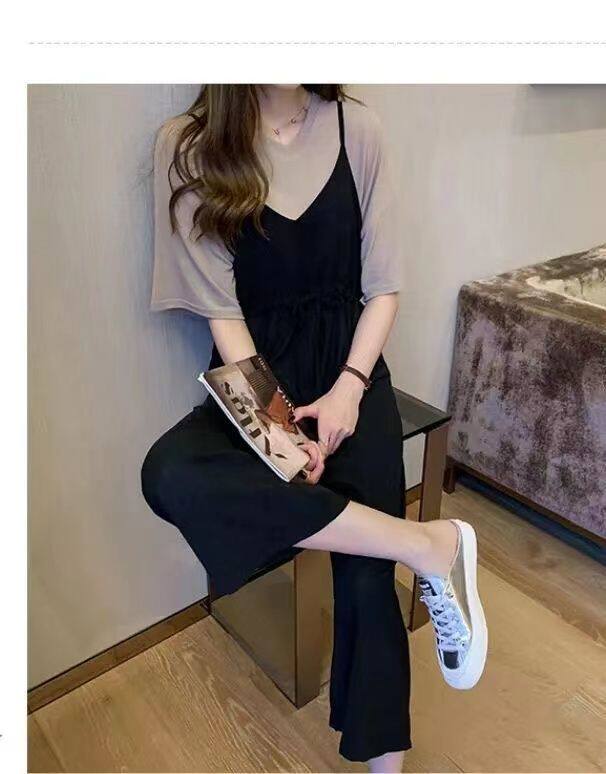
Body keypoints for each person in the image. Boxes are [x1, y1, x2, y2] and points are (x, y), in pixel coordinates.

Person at [141, 84, 487, 773]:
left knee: (365, 582)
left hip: (351, 377)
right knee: (169, 473)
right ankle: (429, 544)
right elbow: (223, 318)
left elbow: (383, 288)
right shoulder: (188, 146)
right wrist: (279, 434)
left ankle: (384, 765)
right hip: (255, 385)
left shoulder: (360, 129)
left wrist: (349, 391)